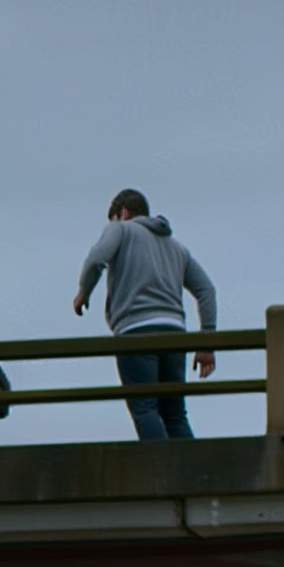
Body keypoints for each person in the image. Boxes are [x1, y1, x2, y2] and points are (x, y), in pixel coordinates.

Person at [73, 188, 218, 441]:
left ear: (123, 213)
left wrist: (83, 292)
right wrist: (206, 340)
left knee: (145, 409)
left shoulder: (121, 229)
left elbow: (97, 258)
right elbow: (206, 290)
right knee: (175, 414)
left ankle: (161, 474)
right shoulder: (177, 248)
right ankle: (193, 474)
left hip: (136, 331)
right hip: (175, 334)